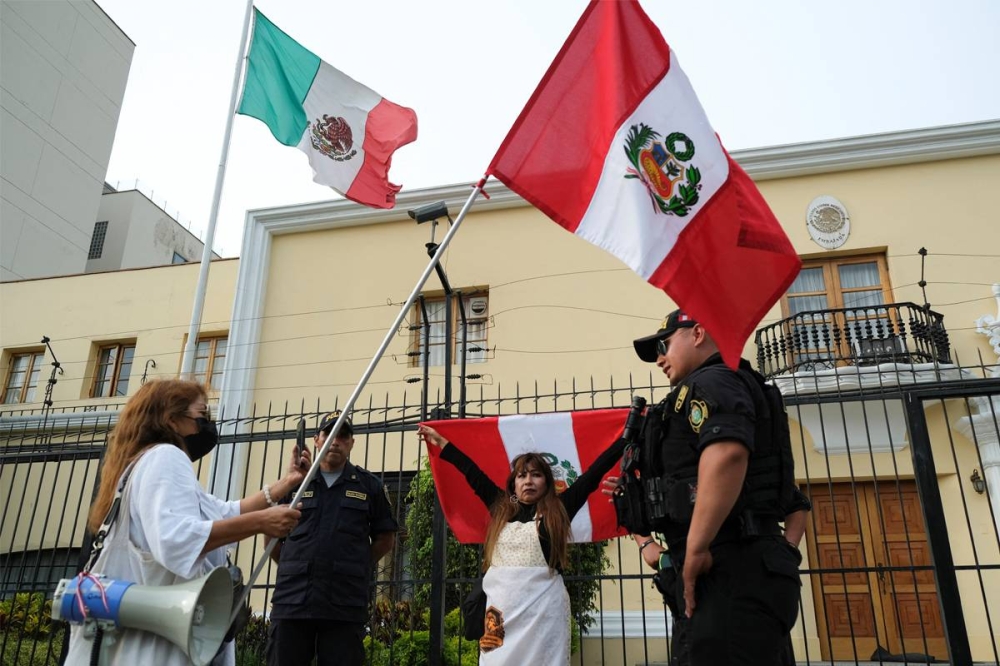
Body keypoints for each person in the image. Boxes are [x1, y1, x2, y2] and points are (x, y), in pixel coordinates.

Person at [65, 379, 305, 666]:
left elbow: (223, 512)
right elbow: (176, 539)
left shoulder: (145, 463)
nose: (207, 425)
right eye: (202, 415)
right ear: (171, 420)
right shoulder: (166, 456)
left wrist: (285, 483)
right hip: (153, 648)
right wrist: (261, 523)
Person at [616, 309, 804, 666]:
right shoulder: (724, 385)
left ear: (698, 334)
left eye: (664, 345)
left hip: (728, 570)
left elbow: (728, 453)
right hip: (732, 572)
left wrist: (697, 548)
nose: (659, 359)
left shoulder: (713, 381)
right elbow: (787, 496)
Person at [417, 422, 626, 665]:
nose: (528, 480)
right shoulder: (500, 508)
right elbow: (472, 473)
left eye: (536, 474)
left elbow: (592, 475)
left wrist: (625, 439)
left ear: (547, 482)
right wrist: (442, 443)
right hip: (500, 616)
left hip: (543, 614)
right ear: (513, 484)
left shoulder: (559, 509)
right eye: (521, 475)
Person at [266, 412, 397, 666]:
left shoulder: (368, 486)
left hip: (343, 603)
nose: (335, 441)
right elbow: (271, 533)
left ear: (351, 443)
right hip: (293, 599)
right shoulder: (294, 484)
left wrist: (357, 563)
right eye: (329, 434)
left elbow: (386, 538)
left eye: (343, 435)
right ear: (316, 440)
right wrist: (294, 565)